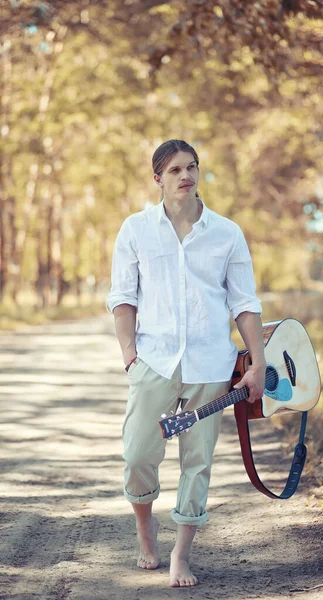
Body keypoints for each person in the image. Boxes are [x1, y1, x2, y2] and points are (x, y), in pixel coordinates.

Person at [106, 139, 266, 587]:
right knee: (139, 453)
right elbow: (122, 297)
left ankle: (181, 554)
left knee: (197, 462)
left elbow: (245, 303)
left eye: (191, 167)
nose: (185, 175)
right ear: (158, 178)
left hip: (209, 364)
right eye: (174, 169)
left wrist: (257, 360)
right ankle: (145, 525)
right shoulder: (136, 230)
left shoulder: (227, 233)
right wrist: (129, 356)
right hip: (153, 361)